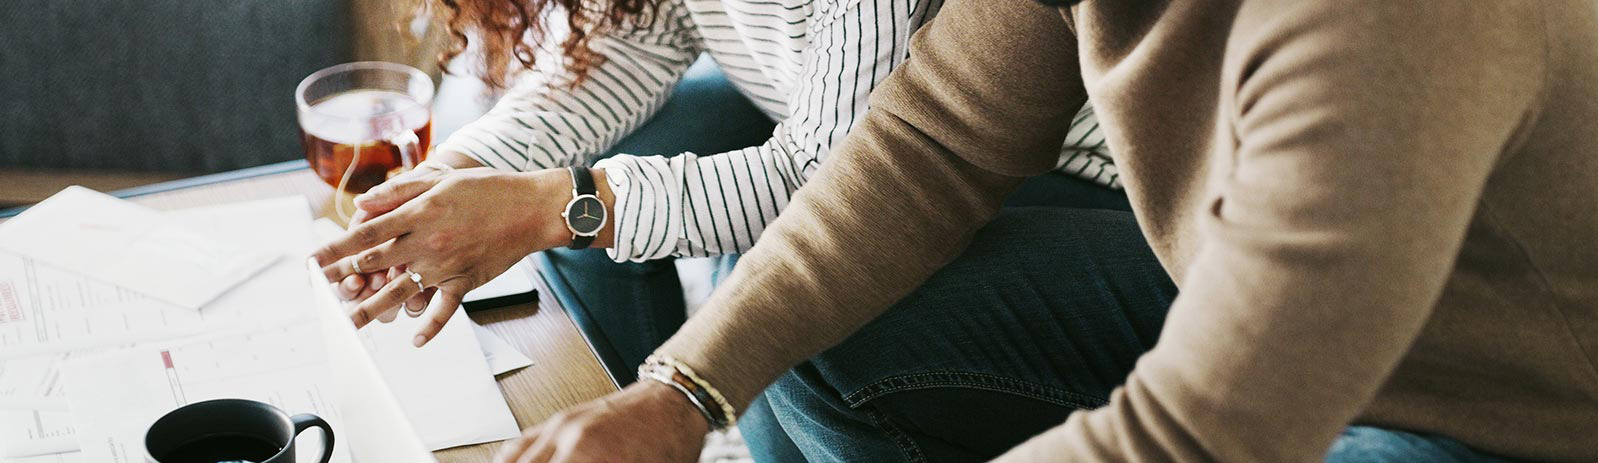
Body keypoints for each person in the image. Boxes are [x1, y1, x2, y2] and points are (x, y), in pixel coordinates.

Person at [421, 0, 1592, 462]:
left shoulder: (1388, 20)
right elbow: (932, 139)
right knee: (813, 333)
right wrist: (679, 394)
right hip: (1241, 281)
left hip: (1478, 413)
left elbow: (1205, 428)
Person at [315, 0, 1124, 460]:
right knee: (620, 151)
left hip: (1071, 177)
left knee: (809, 332)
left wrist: (549, 205)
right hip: (849, 126)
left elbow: (846, 182)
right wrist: (458, 171)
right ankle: (626, 424)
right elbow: (629, 45)